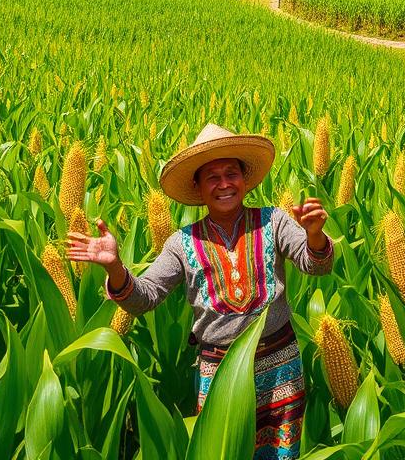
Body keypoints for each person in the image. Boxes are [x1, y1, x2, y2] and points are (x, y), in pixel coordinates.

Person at [66, 124, 333, 459]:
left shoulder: (274, 222)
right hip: (219, 374)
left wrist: (315, 236)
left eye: (231, 173)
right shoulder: (182, 243)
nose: (224, 184)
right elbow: (144, 297)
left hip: (280, 368)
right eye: (212, 177)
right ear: (198, 186)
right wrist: (114, 266)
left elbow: (316, 265)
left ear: (244, 179)